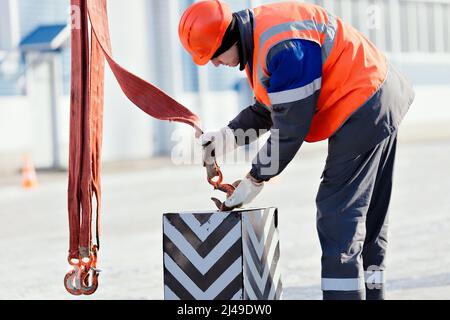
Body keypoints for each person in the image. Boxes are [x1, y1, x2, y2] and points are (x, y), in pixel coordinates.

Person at [179, 0, 415, 300]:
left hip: (363, 103)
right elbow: (270, 108)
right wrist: (225, 138)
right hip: (378, 93)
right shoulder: (260, 37)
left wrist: (255, 179)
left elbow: (290, 127)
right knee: (369, 217)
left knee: (338, 214)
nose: (214, 64)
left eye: (213, 56)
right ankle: (372, 293)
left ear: (227, 38)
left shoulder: (283, 47)